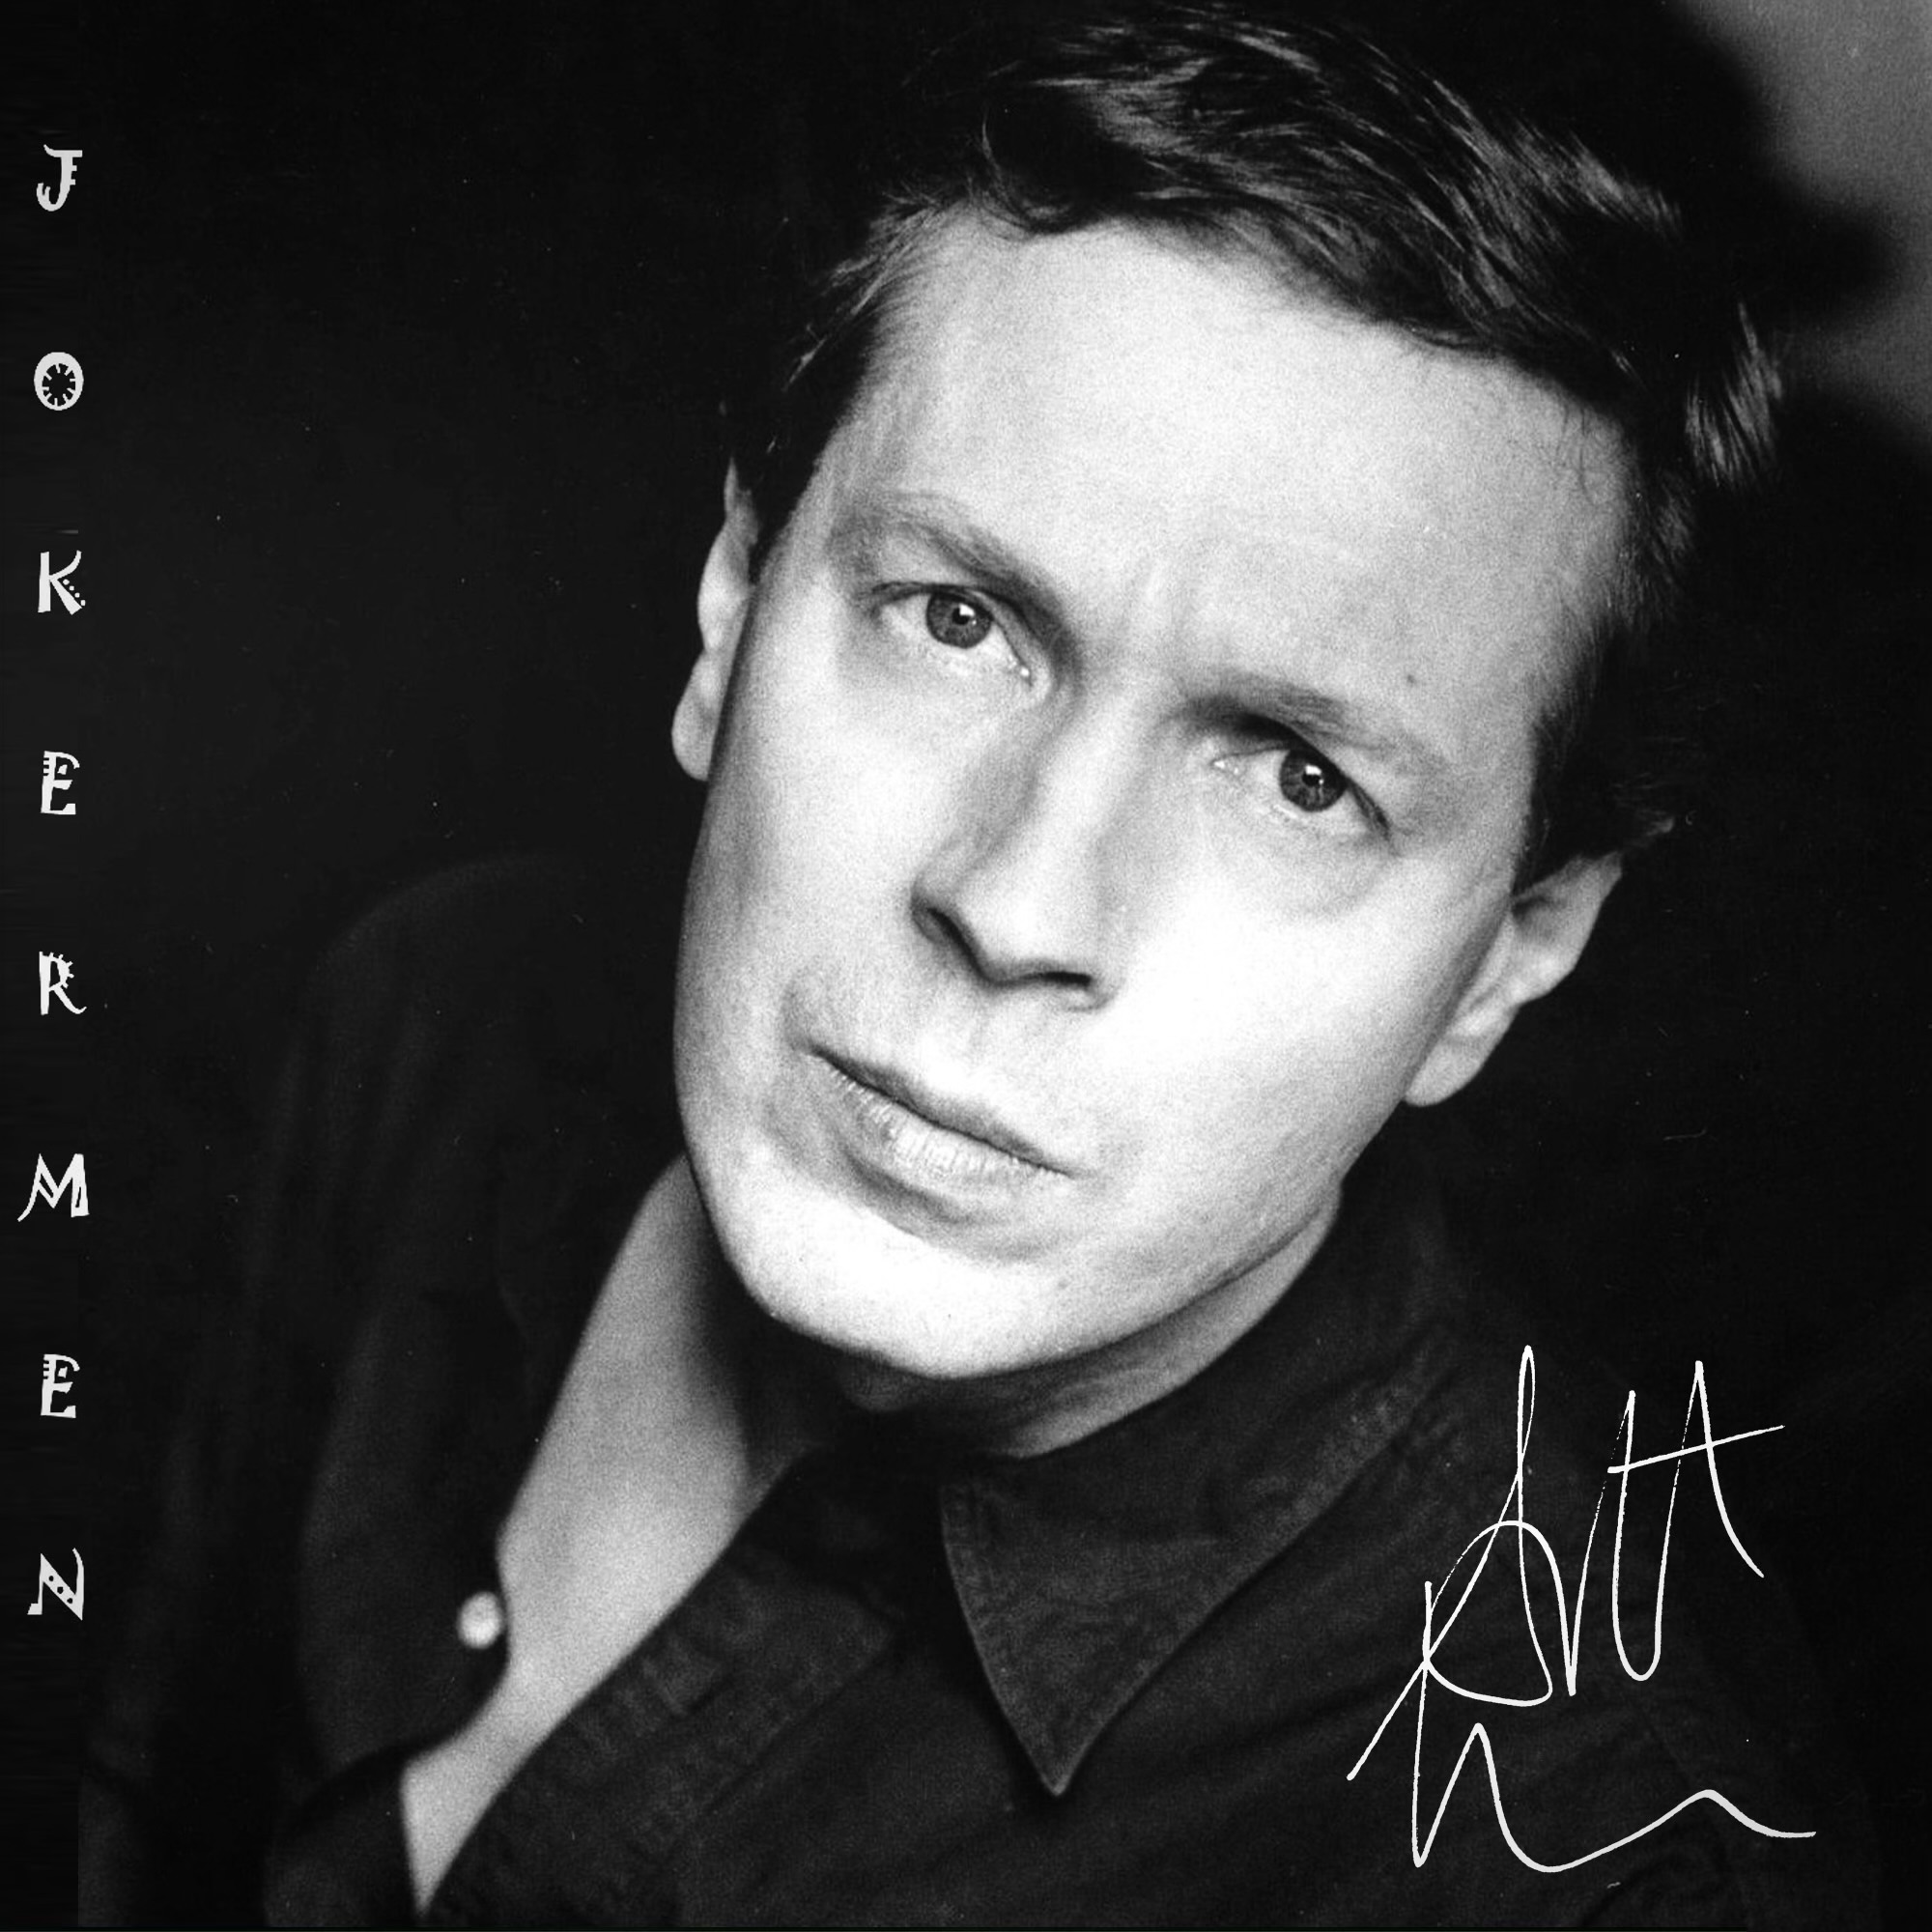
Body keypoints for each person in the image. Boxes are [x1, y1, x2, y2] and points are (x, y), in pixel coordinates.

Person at [82, 1, 1876, 1923]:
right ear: (732, 609)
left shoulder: (1603, 1866)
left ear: (1510, 954)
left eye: (1299, 777)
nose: (1017, 905)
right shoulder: (440, 1020)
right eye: (954, 620)